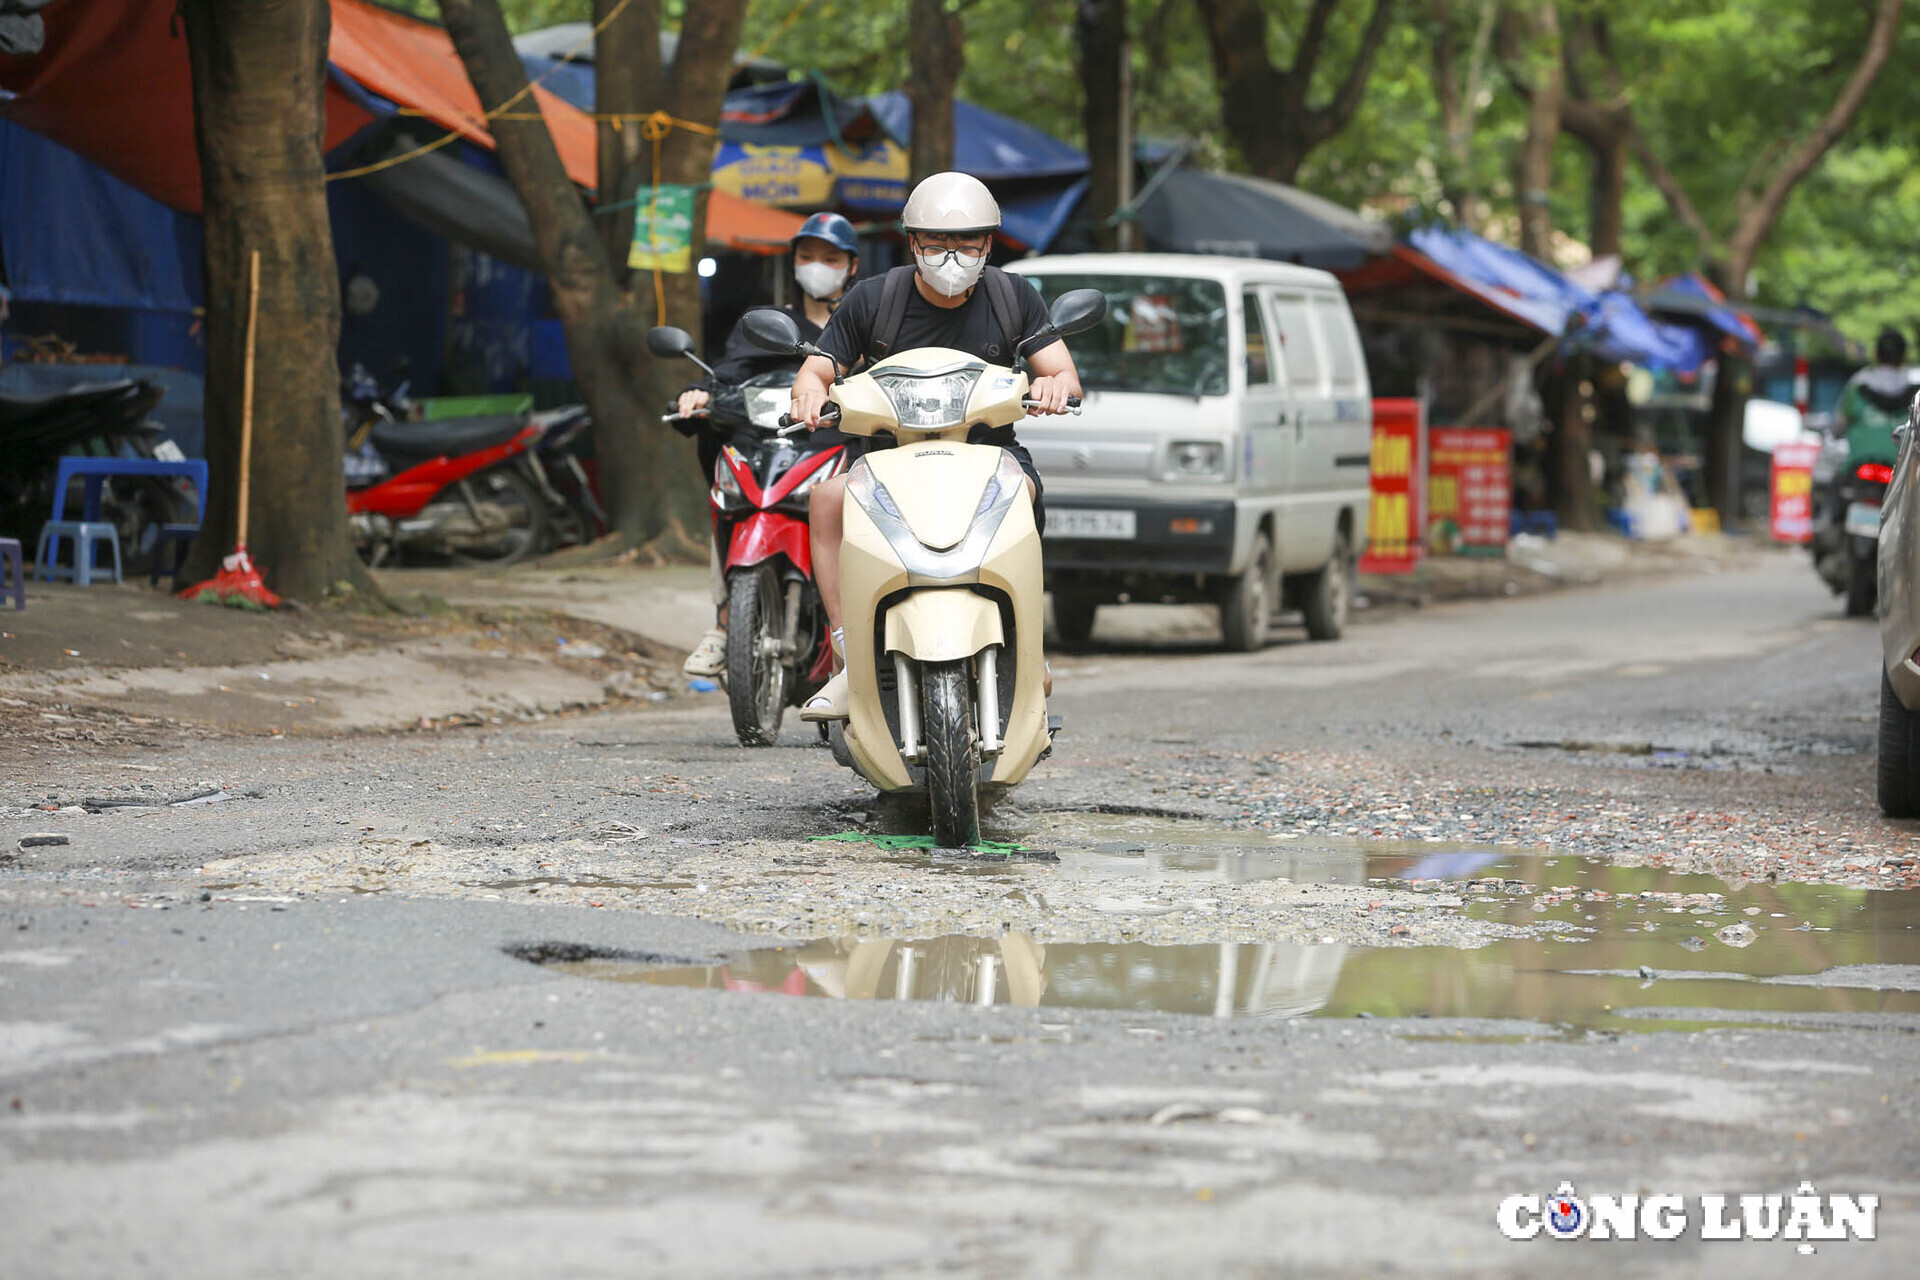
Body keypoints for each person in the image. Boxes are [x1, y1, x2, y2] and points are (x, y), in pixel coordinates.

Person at [786, 171, 1083, 722]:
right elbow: (817, 369)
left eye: (968, 243)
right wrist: (808, 395)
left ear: (988, 244)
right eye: (937, 243)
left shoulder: (1014, 296)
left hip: (989, 453)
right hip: (885, 455)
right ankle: (849, 653)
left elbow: (1063, 371)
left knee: (1028, 495)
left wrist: (1053, 385)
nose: (952, 255)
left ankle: (1027, 643)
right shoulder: (872, 299)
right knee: (826, 502)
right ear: (913, 243)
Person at [677, 212, 861, 678]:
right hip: (775, 447)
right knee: (725, 476)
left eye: (830, 258)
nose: (817, 266)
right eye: (807, 256)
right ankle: (723, 622)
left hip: (842, 446)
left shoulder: (863, 319)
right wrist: (703, 392)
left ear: (851, 266)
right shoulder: (771, 323)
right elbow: (731, 370)